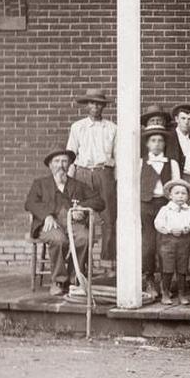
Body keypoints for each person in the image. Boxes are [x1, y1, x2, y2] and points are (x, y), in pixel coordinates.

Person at [24, 149, 105, 296]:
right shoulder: (40, 184)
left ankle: (75, 279)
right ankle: (59, 281)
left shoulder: (78, 185)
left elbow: (99, 201)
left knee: (84, 238)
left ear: (69, 165)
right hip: (50, 224)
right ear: (50, 165)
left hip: (72, 223)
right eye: (56, 161)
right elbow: (30, 203)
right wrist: (46, 216)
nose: (60, 165)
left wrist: (82, 207)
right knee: (58, 240)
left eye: (64, 161)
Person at [66, 87, 117, 263]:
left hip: (104, 173)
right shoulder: (77, 127)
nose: (95, 107)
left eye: (99, 104)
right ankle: (82, 262)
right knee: (81, 214)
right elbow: (70, 154)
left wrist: (114, 180)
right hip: (82, 173)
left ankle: (107, 261)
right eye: (92, 103)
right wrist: (70, 180)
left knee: (108, 217)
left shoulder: (112, 128)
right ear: (87, 105)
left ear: (104, 106)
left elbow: (117, 157)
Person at [140, 125, 181, 300]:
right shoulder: (141, 162)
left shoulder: (172, 163)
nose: (157, 144)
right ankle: (149, 280)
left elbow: (177, 187)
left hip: (165, 206)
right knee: (148, 245)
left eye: (160, 141)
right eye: (153, 140)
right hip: (146, 206)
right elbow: (134, 186)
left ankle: (166, 283)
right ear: (147, 144)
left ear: (164, 144)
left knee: (166, 245)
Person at [153, 179, 190, 305]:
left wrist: (189, 228)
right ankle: (165, 293)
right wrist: (170, 229)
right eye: (177, 193)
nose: (180, 196)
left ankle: (181, 294)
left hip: (184, 242)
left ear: (188, 196)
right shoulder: (165, 209)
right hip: (168, 242)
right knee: (167, 268)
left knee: (182, 269)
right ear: (170, 195)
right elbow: (158, 223)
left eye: (183, 193)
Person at [165, 103, 190, 189]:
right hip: (175, 179)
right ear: (177, 119)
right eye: (183, 118)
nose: (186, 122)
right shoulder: (169, 138)